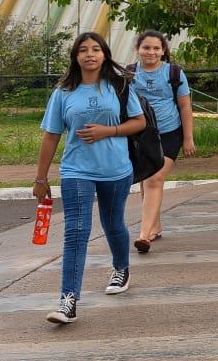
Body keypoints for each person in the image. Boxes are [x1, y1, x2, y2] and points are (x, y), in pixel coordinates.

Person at [31, 31, 147, 324]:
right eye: (83, 50)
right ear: (75, 56)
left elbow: (139, 122)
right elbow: (51, 135)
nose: (90, 54)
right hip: (76, 171)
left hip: (116, 170)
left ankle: (121, 268)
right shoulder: (63, 92)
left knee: (112, 223)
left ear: (105, 54)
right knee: (76, 232)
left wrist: (108, 131)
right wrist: (40, 178)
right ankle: (67, 300)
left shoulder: (119, 86)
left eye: (96, 49)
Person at [128, 30, 195, 254]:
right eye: (146, 47)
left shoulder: (173, 73)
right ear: (138, 49)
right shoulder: (129, 73)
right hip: (140, 134)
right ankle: (154, 226)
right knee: (146, 179)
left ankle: (144, 235)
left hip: (169, 132)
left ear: (163, 51)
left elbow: (185, 106)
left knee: (154, 178)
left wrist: (188, 138)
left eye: (156, 48)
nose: (151, 52)